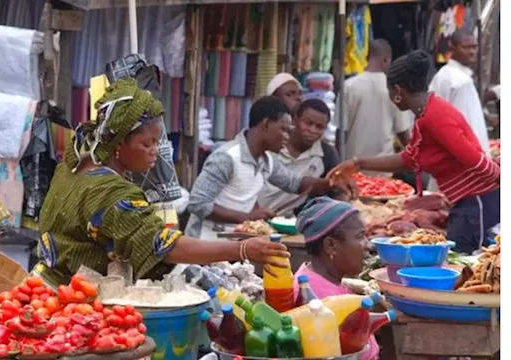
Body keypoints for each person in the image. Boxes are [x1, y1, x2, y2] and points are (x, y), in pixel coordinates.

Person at [37, 79, 289, 282]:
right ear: (118, 142)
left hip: (42, 285)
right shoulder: (111, 193)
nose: (154, 151)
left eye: (157, 142)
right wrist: (242, 249)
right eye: (146, 143)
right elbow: (164, 246)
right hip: (72, 301)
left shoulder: (73, 164)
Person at [328, 50, 500, 254]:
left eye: (390, 92)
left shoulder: (434, 117)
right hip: (469, 202)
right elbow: (410, 159)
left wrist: (500, 177)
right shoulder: (427, 114)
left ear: (398, 91)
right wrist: (358, 164)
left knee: (461, 262)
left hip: (477, 202)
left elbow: (472, 157)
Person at [186, 96, 354, 240]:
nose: (287, 137)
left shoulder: (266, 160)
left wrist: (332, 182)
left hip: (233, 244)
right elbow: (198, 204)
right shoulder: (227, 157)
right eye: (283, 130)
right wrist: (248, 218)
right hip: (204, 243)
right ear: (265, 125)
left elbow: (296, 183)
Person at [293, 197, 377, 360]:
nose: (369, 245)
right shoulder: (315, 302)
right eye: (360, 237)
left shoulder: (327, 279)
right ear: (331, 246)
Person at [338, 39, 411, 177]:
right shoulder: (395, 89)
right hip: (383, 169)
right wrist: (414, 157)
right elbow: (403, 132)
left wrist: (338, 163)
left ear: (367, 57)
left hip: (352, 167)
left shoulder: (349, 86)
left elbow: (341, 132)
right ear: (386, 59)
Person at [257, 99, 343, 212]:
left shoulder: (327, 154)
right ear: (295, 120)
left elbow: (335, 191)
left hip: (292, 220)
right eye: (308, 123)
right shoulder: (272, 144)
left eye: (319, 127)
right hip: (254, 216)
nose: (312, 130)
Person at [429, 30, 489, 153]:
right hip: (465, 153)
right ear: (452, 47)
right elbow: (469, 123)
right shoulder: (460, 81)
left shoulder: (444, 75)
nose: (472, 52)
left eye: (474, 47)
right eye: (466, 47)